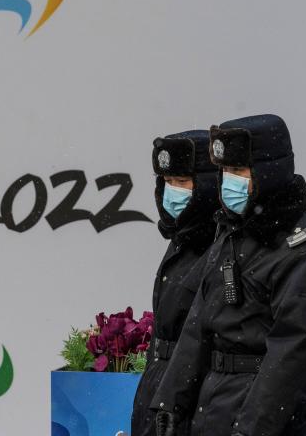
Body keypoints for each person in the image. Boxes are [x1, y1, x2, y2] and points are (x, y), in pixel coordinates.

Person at [151, 114, 306, 436]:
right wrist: (170, 403)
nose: (229, 181)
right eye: (225, 171)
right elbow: (199, 325)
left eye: (239, 171)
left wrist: (251, 428)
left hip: (264, 415)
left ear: (269, 171)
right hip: (213, 405)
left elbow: (292, 352)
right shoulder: (235, 233)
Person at [130, 131, 220, 436]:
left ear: (208, 185)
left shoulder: (221, 247)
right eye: (168, 182)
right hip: (159, 396)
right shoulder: (183, 239)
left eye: (183, 182)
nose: (173, 192)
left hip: (191, 406)